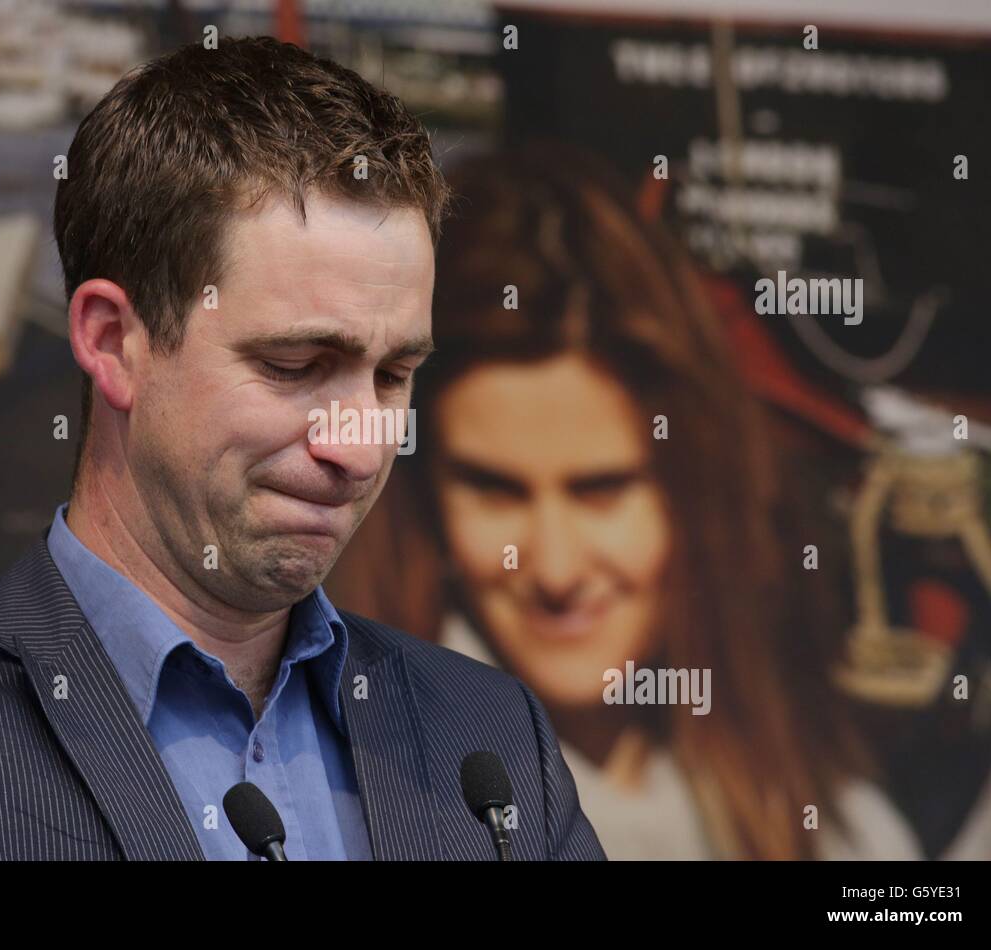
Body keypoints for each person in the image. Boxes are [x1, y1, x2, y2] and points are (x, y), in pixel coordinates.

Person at [0, 39, 605, 862]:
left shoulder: (489, 739)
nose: (361, 447)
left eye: (391, 375)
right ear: (114, 341)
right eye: (296, 365)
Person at [327, 143, 921, 860]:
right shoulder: (343, 799)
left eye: (602, 489)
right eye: (494, 488)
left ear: (692, 487)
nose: (555, 567)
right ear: (420, 495)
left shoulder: (836, 826)